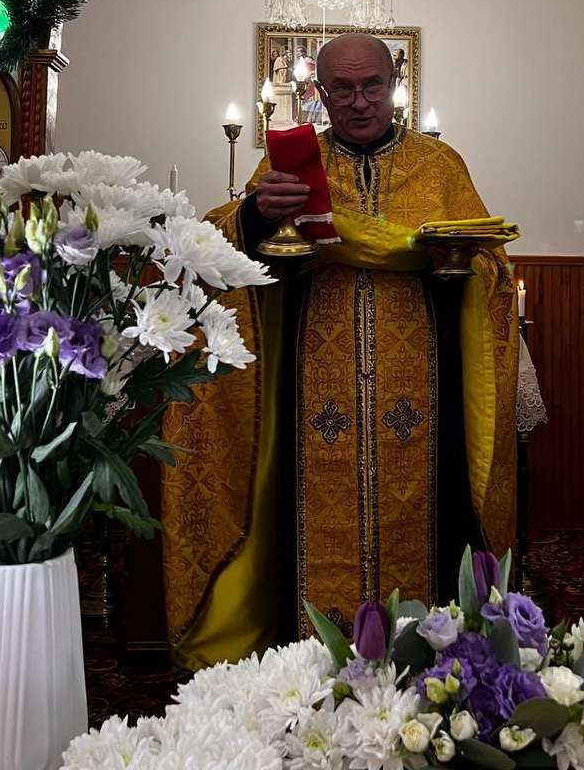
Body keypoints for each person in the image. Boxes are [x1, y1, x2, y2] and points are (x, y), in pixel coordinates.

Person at [162, 33, 518, 670]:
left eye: (372, 85)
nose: (359, 101)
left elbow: (490, 266)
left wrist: (456, 261)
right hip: (312, 390)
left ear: (394, 84)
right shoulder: (293, 166)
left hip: (425, 390)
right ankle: (312, 671)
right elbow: (227, 248)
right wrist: (256, 215)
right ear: (320, 95)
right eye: (342, 90)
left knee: (432, 527)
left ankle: (423, 668)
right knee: (303, 524)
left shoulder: (440, 167)